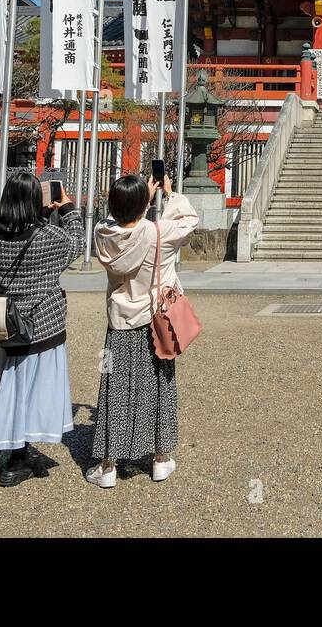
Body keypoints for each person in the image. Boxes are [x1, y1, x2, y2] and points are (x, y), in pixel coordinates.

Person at [87, 173, 199, 488]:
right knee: (161, 386)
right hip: (155, 321)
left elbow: (119, 222)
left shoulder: (103, 233)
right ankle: (160, 458)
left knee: (115, 389)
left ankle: (108, 465)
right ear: (144, 204)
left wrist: (139, 202)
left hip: (121, 322)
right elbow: (190, 219)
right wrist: (168, 193)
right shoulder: (160, 233)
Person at [0, 171, 83, 487]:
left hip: (7, 323)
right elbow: (76, 244)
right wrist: (67, 209)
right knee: (34, 392)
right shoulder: (48, 238)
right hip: (42, 324)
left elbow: (22, 232)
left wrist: (41, 214)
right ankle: (17, 458)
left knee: (8, 387)